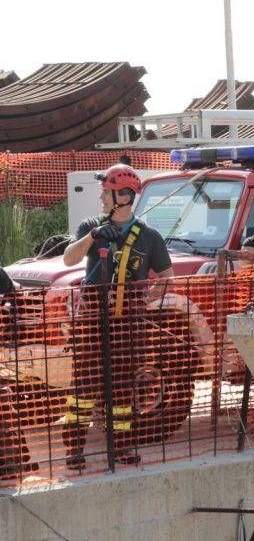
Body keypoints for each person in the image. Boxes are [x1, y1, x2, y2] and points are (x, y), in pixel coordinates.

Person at [60, 163, 174, 467]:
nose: (101, 198)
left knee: (124, 386)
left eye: (106, 193)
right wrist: (94, 237)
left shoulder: (149, 237)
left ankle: (121, 447)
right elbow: (69, 257)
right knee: (84, 384)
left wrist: (142, 299)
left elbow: (167, 277)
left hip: (128, 322)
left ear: (123, 196)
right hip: (92, 318)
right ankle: (75, 450)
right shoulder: (91, 226)